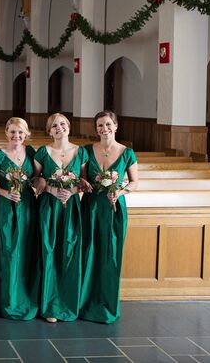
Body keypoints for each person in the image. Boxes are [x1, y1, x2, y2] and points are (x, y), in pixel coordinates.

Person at [80, 111, 138, 323]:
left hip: (114, 208)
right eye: (99, 125)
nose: (104, 129)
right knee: (89, 251)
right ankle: (85, 301)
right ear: (96, 129)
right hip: (91, 206)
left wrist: (120, 191)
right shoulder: (87, 150)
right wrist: (81, 183)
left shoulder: (127, 153)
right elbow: (82, 179)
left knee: (111, 254)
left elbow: (134, 182)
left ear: (115, 126)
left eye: (107, 124)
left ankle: (107, 302)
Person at [33, 113, 89, 323]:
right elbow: (35, 179)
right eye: (54, 125)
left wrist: (74, 190)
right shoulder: (43, 152)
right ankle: (50, 306)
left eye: (63, 124)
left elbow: (84, 180)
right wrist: (49, 188)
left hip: (71, 208)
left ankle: (67, 303)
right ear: (49, 130)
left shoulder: (80, 152)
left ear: (69, 127)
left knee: (69, 253)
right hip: (49, 206)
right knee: (49, 252)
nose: (59, 128)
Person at [0, 117, 40, 320]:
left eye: (20, 132)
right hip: (6, 207)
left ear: (26, 134)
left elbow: (36, 178)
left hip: (28, 206)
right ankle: (6, 300)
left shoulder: (32, 153)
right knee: (7, 251)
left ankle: (25, 297)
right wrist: (3, 193)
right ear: (6, 133)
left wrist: (41, 183)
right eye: (12, 132)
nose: (16, 136)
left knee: (26, 250)